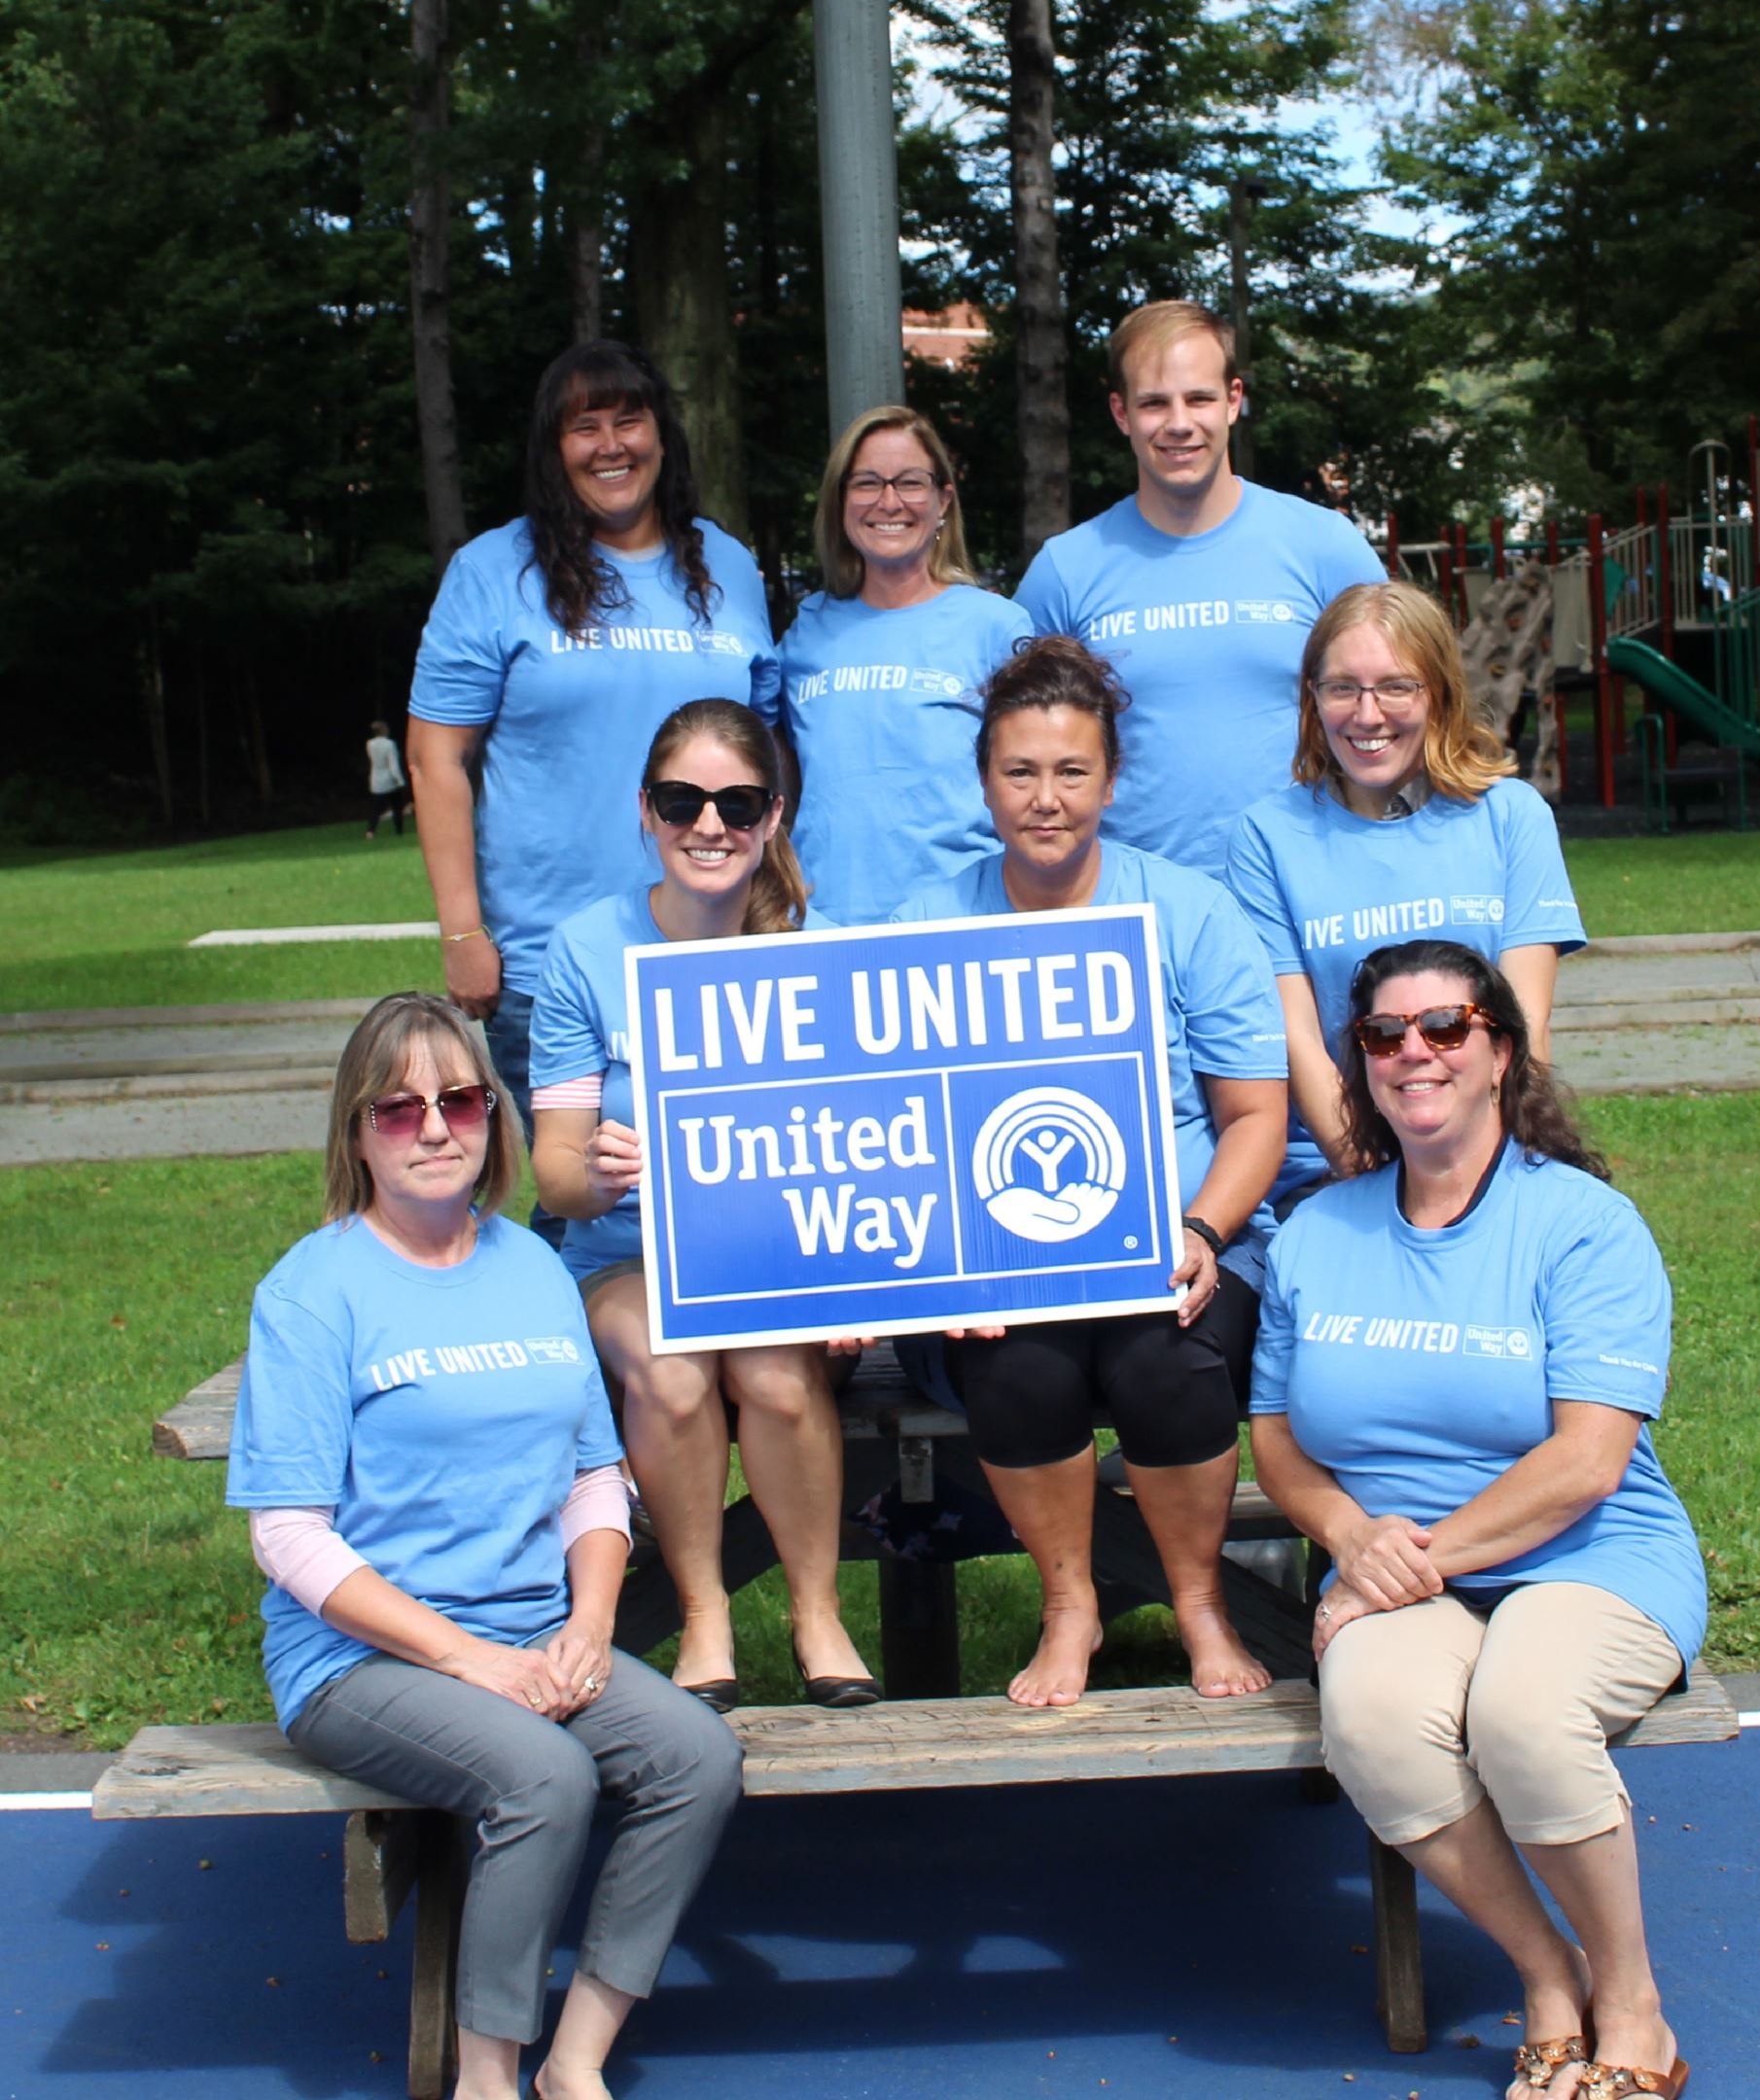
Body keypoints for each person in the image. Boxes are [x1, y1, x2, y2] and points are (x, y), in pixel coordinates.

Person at [227, 994, 741, 2100]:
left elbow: (594, 1477)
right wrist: (471, 1661)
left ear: (494, 1117)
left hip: (530, 1630)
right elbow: (288, 1535)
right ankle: (487, 2076)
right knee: (542, 1774)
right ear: (356, 1129)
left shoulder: (533, 1269)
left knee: (696, 1755)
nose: (435, 1126)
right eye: (399, 1106)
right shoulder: (312, 1293)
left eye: (460, 1098)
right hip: (358, 1659)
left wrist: (591, 1625)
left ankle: (578, 2058)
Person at [1250, 940, 1703, 2100]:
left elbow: (1586, 1463)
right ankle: (1550, 1975)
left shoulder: (1586, 1225)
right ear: (1359, 1060)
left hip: (1591, 1556)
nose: (1415, 1052)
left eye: (1446, 1027)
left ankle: (1635, 2002)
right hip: (1406, 1569)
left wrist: (1386, 1568)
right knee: (1376, 1713)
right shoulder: (1315, 1230)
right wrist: (1352, 1541)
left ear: (1501, 1048)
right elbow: (1279, 1441)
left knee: (1524, 1706)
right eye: (1385, 1034)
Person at [893, 637, 1289, 1708]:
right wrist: (947, 1271)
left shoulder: (1191, 911)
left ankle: (1200, 1598)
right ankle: (1070, 1601)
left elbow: (1254, 1113)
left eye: (1072, 771)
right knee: (1022, 1367)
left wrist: (1201, 1232)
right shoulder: (926, 923)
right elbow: (889, 1127)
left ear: (1111, 780)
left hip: (1177, 1243)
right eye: (1020, 771)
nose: (1046, 797)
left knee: (1166, 1360)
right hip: (993, 1264)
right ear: (984, 781)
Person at [528, 697, 877, 1713]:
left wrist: (857, 1270)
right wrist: (598, 1169)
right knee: (673, 1367)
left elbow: (874, 1148)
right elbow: (550, 1171)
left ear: (772, 818)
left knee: (773, 1367)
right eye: (683, 799)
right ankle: (703, 1609)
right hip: (624, 1255)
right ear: (646, 809)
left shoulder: (823, 949)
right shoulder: (587, 950)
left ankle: (818, 1611)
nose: (709, 823)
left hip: (781, 1254)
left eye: (737, 801)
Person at [405, 339, 777, 1160]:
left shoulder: (730, 566)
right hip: (553, 964)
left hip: (719, 949)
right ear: (553, 448)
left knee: (725, 1183)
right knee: (592, 1194)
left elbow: (767, 750)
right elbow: (435, 759)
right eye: (585, 427)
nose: (610, 445)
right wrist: (464, 933)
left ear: (662, 436)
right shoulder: (493, 571)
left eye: (629, 421)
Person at [1227, 579, 1585, 1203]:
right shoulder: (1266, 837)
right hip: (1335, 1171)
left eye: (1396, 686)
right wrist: (1379, 1186)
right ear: (1312, 699)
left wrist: (1479, 1192)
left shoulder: (1511, 817)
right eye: (1342, 688)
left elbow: (1525, 1028)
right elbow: (1299, 1040)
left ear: (1439, 694)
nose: (1367, 715)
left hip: (1492, 1162)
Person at [1016, 299, 1385, 874]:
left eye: (1200, 398)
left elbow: (1409, 709)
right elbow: (1014, 748)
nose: (1179, 422)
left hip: (1308, 890)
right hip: (1135, 907)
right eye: (1154, 403)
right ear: (1120, 412)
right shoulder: (1066, 571)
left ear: (1234, 400)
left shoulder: (1324, 547)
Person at [777, 405, 1033, 922]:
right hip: (822, 924)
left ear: (943, 499)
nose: (888, 501)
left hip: (961, 922)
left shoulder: (997, 628)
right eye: (867, 483)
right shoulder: (807, 631)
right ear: (841, 500)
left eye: (909, 483)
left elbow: (1036, 787)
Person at [364, 719, 408, 838]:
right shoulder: (389, 744)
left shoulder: (370, 744)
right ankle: (399, 830)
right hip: (389, 780)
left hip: (376, 780)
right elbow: (393, 764)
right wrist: (400, 780)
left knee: (376, 808)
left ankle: (370, 831)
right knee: (397, 807)